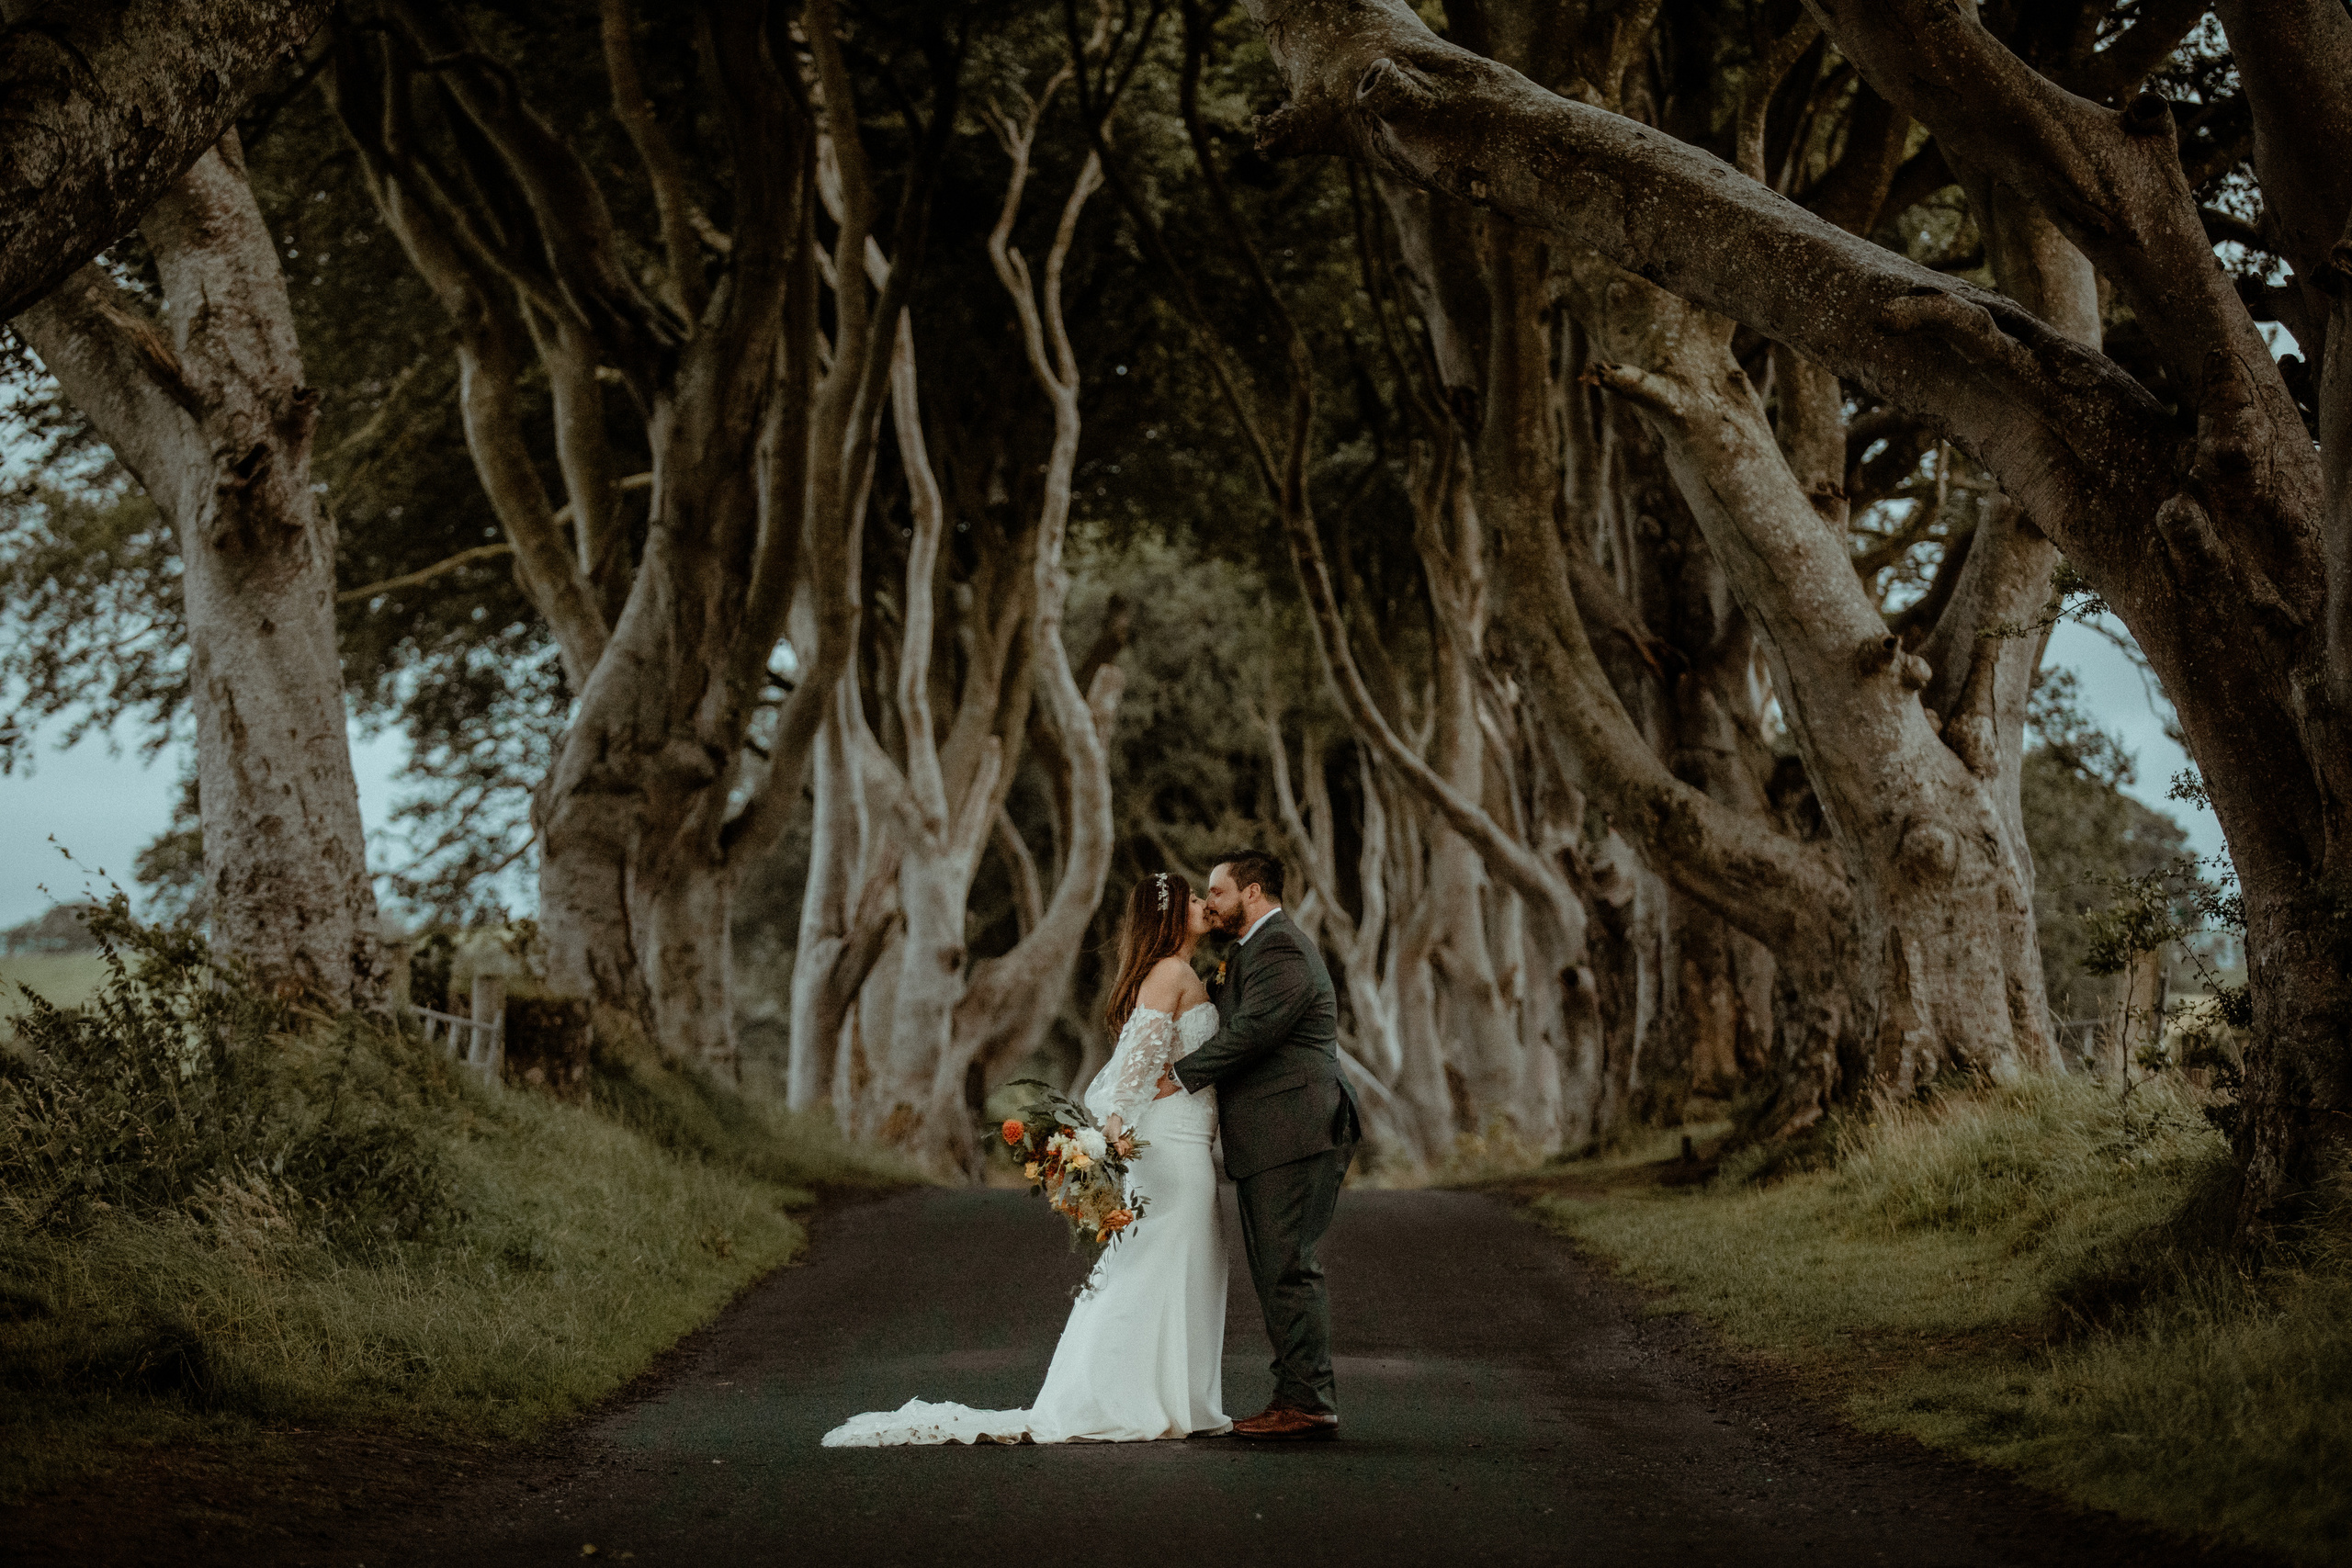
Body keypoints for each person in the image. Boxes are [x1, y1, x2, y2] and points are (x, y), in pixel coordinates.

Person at [820, 871, 1230, 1446]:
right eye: (1189, 898)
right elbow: (1135, 1068)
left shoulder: (1180, 973)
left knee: (1175, 1264)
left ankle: (1168, 1397)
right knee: (1153, 1267)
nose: (1200, 904)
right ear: (1166, 915)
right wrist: (1111, 1140)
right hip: (1169, 1147)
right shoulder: (1170, 973)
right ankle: (1122, 1397)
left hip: (1184, 1140)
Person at [1157, 848, 1361, 1441]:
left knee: (1289, 1267)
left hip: (1296, 1128)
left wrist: (1182, 1075)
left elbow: (1256, 1029)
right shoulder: (1251, 953)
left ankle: (1308, 1402)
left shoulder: (1280, 947)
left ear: (1251, 893)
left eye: (1216, 892)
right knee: (1278, 1267)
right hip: (1276, 1134)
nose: (1210, 903)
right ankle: (1297, 1395)